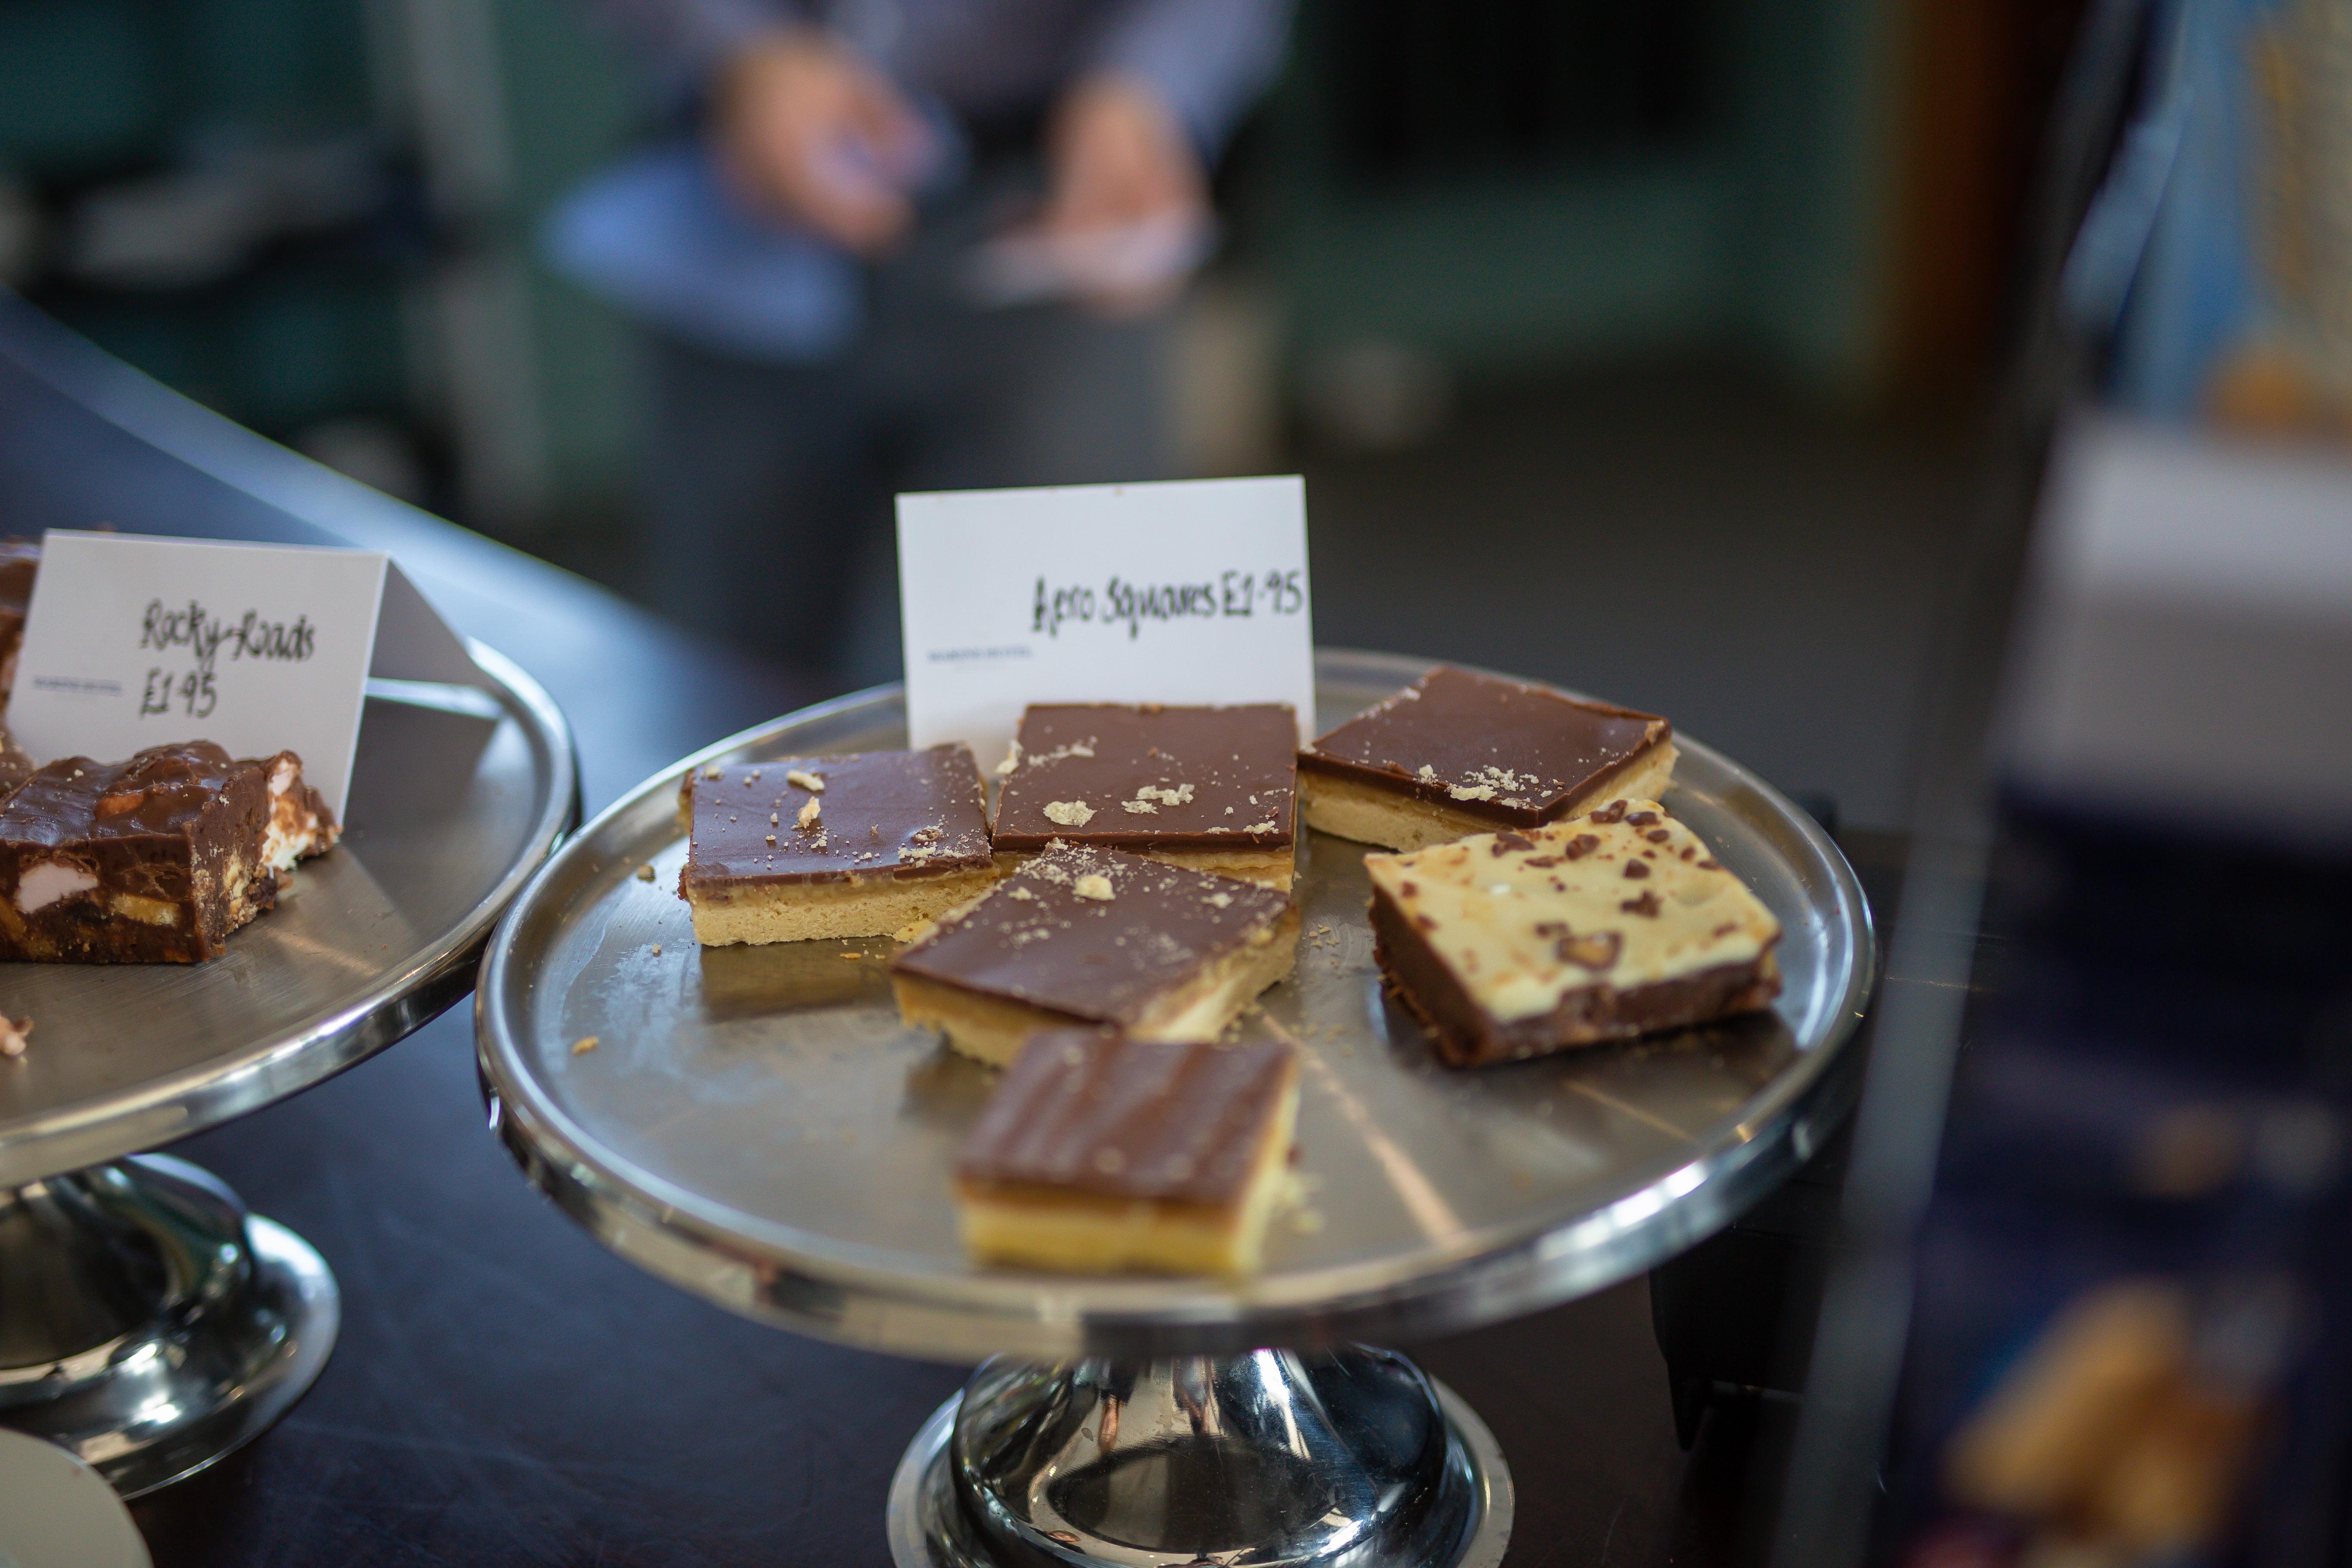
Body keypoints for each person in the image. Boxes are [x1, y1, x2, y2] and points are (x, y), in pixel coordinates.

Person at [572, 0, 1293, 687]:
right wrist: (736, 48)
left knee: (1080, 685)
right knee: (735, 688)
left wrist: (1148, 89)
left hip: (1049, 211)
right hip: (728, 203)